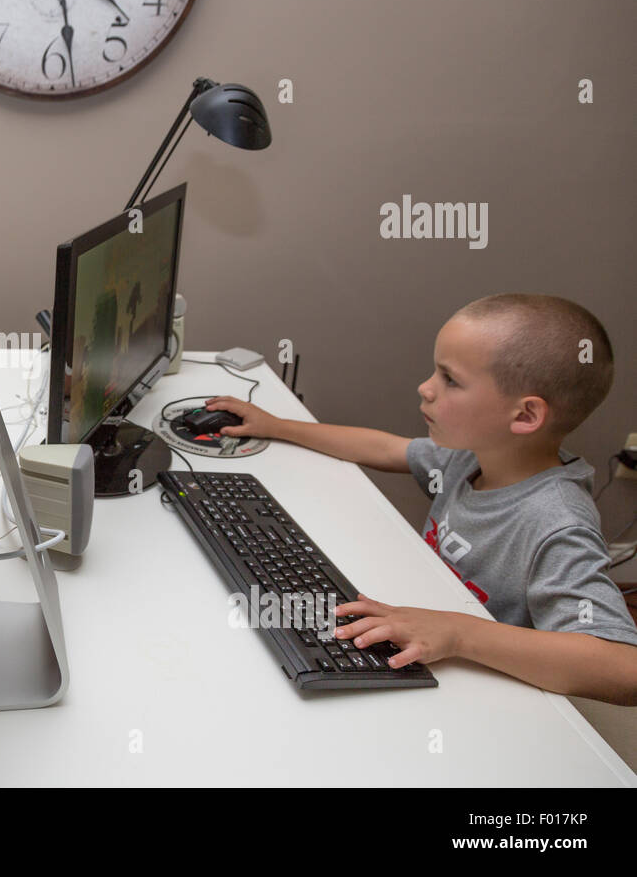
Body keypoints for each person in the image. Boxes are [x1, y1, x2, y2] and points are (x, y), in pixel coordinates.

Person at [204, 293, 637, 705]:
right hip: (430, 638)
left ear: (524, 415)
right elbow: (386, 448)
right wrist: (278, 426)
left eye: (450, 379)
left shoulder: (557, 520)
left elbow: (623, 670)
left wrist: (458, 632)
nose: (425, 388)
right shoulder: (468, 458)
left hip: (481, 683)